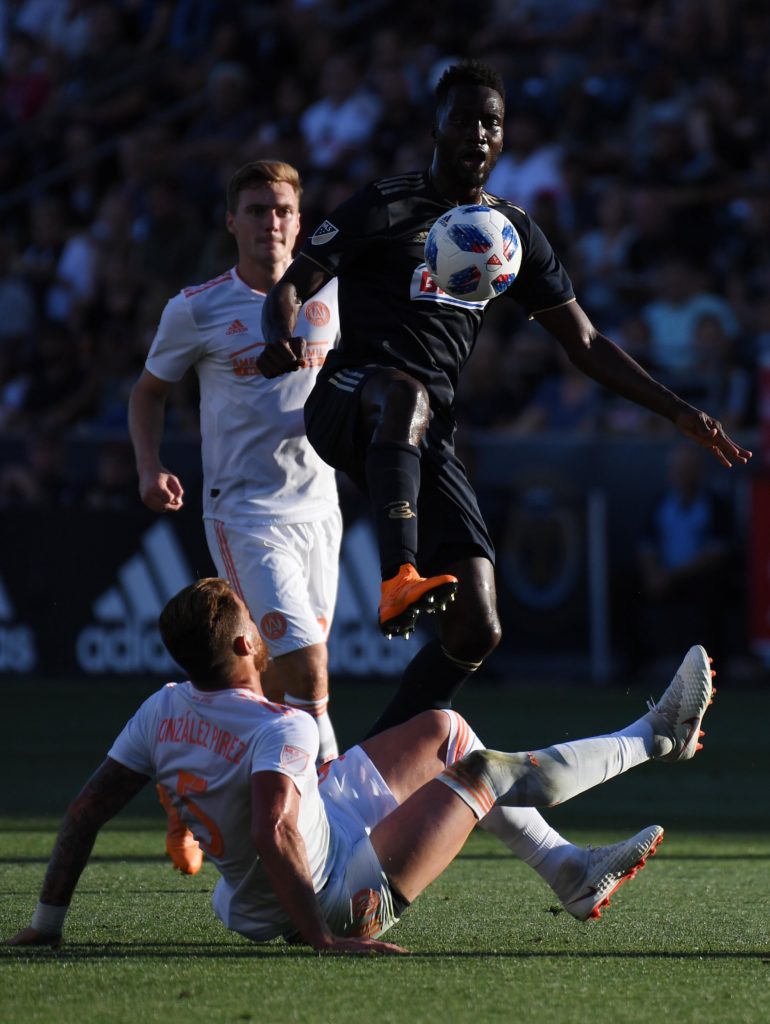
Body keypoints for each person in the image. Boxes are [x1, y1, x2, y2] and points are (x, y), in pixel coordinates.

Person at [258, 59, 750, 736]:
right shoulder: (385, 203)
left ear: (503, 136)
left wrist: (677, 410)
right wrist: (279, 334)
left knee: (477, 627)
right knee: (402, 394)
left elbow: (585, 342)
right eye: (463, 119)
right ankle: (398, 574)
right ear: (436, 127)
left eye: (490, 122)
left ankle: (364, 767)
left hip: (425, 429)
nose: (478, 133)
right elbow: (293, 284)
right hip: (350, 396)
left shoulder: (510, 236)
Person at [5, 577, 715, 954]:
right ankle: (657, 736)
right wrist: (323, 937)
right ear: (247, 646)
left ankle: (570, 871)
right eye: (252, 621)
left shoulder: (159, 708)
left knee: (444, 730)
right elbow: (272, 830)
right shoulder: (279, 725)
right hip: (331, 895)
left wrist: (47, 921)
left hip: (287, 864)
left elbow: (86, 811)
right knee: (482, 774)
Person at [128, 160, 342, 873]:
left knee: (270, 688)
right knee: (309, 672)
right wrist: (149, 467)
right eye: (255, 210)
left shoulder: (330, 296)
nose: (269, 223)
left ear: (299, 223)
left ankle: (189, 796)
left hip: (321, 508)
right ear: (231, 222)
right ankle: (333, 824)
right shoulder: (197, 308)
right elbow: (149, 391)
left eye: (281, 210)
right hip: (245, 512)